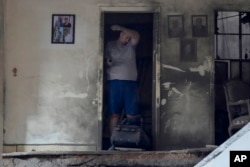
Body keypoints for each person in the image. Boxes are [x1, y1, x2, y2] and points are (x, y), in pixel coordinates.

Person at [104, 25, 140, 137]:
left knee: (132, 115)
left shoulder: (131, 46)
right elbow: (104, 60)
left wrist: (121, 28)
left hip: (130, 83)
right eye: (126, 36)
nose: (128, 39)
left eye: (129, 37)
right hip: (114, 82)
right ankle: (112, 141)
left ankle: (131, 140)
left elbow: (136, 35)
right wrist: (107, 62)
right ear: (120, 35)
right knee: (114, 114)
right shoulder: (110, 45)